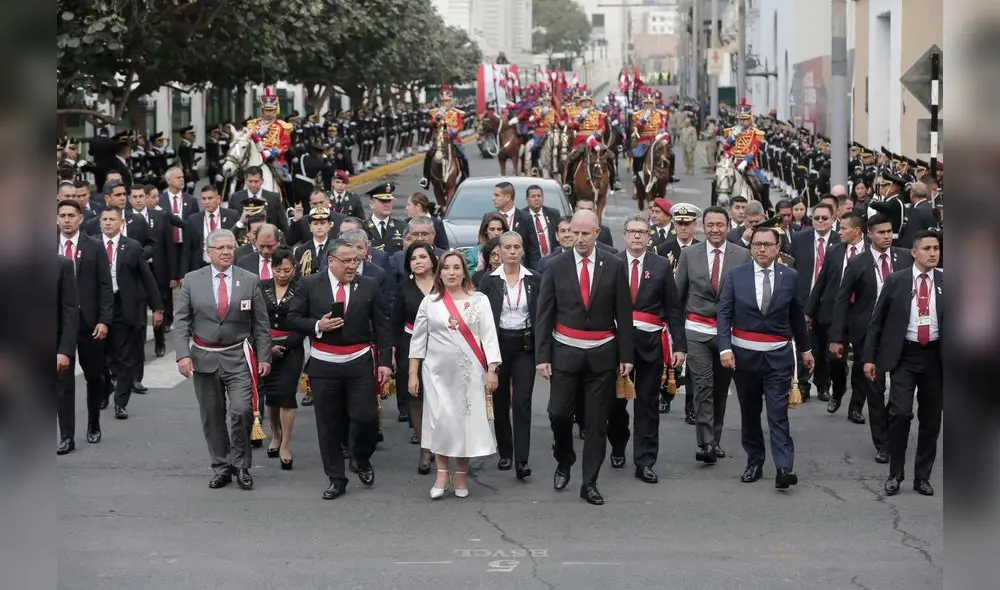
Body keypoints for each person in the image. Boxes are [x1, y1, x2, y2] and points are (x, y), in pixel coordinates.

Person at [535, 210, 634, 505]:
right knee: (558, 413)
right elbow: (544, 314)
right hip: (565, 352)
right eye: (573, 233)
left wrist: (626, 355)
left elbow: (623, 313)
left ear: (597, 233)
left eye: (584, 234)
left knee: (596, 422)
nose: (578, 239)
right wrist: (542, 355)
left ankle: (589, 482)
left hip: (602, 355)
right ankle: (564, 459)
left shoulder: (614, 265)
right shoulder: (555, 266)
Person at [287, 239, 392, 500]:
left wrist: (386, 363)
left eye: (356, 260)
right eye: (346, 261)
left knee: (366, 416)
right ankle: (336, 477)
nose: (352, 266)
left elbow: (382, 325)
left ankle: (361, 457)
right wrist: (318, 325)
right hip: (324, 364)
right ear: (331, 261)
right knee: (328, 424)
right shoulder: (310, 284)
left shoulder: (368, 285)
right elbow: (292, 318)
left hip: (359, 361)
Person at [173, 228, 272, 491]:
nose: (227, 252)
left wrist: (264, 356)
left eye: (230, 247)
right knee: (212, 416)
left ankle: (242, 465)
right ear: (209, 253)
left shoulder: (249, 280)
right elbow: (181, 321)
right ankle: (221, 466)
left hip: (238, 356)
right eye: (221, 248)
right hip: (204, 358)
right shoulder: (193, 280)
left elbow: (261, 323)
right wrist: (183, 354)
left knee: (241, 411)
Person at [716, 225, 814, 489]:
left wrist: (805, 350)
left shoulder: (790, 276)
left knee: (777, 413)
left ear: (777, 247)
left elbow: (796, 315)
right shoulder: (736, 275)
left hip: (778, 357)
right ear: (751, 247)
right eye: (757, 244)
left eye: (767, 244)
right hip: (744, 356)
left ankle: (784, 468)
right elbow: (724, 313)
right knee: (750, 413)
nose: (762, 249)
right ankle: (755, 461)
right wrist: (724, 348)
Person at [408, 250, 502, 499]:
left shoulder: (479, 300)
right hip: (436, 374)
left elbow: (489, 336)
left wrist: (492, 370)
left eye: (456, 267)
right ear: (440, 272)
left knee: (464, 424)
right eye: (446, 268)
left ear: (464, 271)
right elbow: (418, 340)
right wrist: (413, 373)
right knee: (440, 421)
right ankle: (441, 473)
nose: (451, 272)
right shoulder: (431, 301)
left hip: (470, 373)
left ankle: (460, 475)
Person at [863, 230, 943, 496]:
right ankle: (895, 473)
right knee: (899, 413)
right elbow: (877, 322)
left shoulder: (948, 281)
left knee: (931, 420)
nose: (933, 253)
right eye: (927, 248)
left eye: (936, 248)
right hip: (904, 356)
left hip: (936, 358)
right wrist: (870, 358)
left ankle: (922, 477)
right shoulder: (896, 281)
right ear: (914, 252)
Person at [606, 216, 685, 483]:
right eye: (632, 232)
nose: (637, 236)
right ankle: (618, 445)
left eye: (642, 232)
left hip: (651, 342)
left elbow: (673, 308)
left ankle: (645, 460)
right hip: (617, 344)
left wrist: (679, 345)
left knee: (648, 404)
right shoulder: (611, 263)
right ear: (624, 236)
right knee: (615, 402)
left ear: (649, 237)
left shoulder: (661, 266)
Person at [828, 213, 912, 463]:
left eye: (889, 232)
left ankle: (893, 422)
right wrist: (837, 337)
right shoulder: (858, 263)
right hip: (866, 334)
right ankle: (883, 444)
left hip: (900, 332)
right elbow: (842, 300)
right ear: (869, 234)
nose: (887, 236)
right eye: (881, 232)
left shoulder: (906, 257)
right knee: (874, 391)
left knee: (898, 392)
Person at [676, 206, 751, 460]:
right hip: (697, 329)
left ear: (728, 227)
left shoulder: (742, 255)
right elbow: (679, 294)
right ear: (702, 227)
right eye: (710, 225)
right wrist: (677, 338)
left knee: (720, 389)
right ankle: (705, 443)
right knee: (702, 386)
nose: (715, 230)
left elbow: (745, 296)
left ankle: (715, 439)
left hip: (726, 334)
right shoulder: (689, 254)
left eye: (720, 225)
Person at [478, 232, 540, 480]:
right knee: (500, 399)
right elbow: (481, 317)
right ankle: (505, 450)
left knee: (523, 400)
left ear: (523, 250)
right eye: (508, 248)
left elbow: (542, 315)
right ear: (499, 252)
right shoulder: (489, 280)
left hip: (525, 345)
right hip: (498, 345)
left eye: (517, 247)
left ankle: (522, 459)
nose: (512, 252)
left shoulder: (534, 279)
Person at [57, 200, 113, 454]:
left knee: (94, 376)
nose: (66, 219)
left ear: (80, 219)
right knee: (62, 382)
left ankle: (93, 423)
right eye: (62, 215)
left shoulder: (94, 246)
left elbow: (104, 286)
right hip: (58, 325)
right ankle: (67, 435)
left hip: (89, 323)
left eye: (71, 215)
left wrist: (104, 320)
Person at [98, 206, 164, 421]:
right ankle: (106, 385)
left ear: (121, 223)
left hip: (125, 305)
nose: (108, 223)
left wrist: (157, 308)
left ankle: (121, 401)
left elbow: (147, 278)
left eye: (112, 219)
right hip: (99, 306)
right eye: (104, 219)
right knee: (103, 355)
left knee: (125, 356)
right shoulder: (92, 245)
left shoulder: (132, 247)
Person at [257, 247, 305, 470]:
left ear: (294, 269)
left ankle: (286, 443)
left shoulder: (301, 288)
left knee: (287, 394)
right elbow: (256, 320)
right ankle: (275, 434)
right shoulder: (261, 286)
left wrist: (284, 345)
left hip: (292, 347)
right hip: (266, 346)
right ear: (271, 268)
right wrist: (267, 347)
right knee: (271, 395)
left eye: (287, 270)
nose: (282, 275)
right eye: (278, 270)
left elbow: (303, 322)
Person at [392, 243, 438, 473]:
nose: (418, 261)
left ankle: (443, 445)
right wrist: (390, 353)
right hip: (411, 346)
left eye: (423, 256)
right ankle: (424, 447)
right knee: (416, 397)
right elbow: (395, 322)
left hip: (442, 346)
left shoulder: (444, 285)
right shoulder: (403, 288)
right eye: (413, 258)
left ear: (432, 260)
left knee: (440, 397)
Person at [790, 202, 840, 403]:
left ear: (833, 219)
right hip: (803, 300)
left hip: (829, 303)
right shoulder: (799, 239)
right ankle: (802, 384)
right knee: (805, 343)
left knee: (826, 345)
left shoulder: (839, 241)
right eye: (816, 218)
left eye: (824, 218)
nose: (820, 222)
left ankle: (823, 386)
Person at [419, 85, 470, 189]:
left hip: (453, 139)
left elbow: (460, 125)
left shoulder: (456, 113)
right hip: (438, 139)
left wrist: (454, 131)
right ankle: (426, 178)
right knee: (429, 155)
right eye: (443, 101)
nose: (445, 103)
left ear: (451, 101)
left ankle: (465, 177)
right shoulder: (435, 112)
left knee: (463, 156)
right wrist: (437, 118)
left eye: (447, 101)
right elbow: (430, 124)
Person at [56, 255, 80, 452]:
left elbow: (70, 310)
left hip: (55, 341)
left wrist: (65, 350)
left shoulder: (62, 265)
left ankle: (66, 436)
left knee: (62, 391)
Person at [492, 182, 542, 269]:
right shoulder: (490, 218)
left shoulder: (525, 218)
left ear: (508, 197)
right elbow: (482, 245)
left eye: (497, 195)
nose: (493, 198)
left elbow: (533, 250)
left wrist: (534, 274)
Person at [365, 182, 405, 254]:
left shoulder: (402, 227)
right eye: (383, 201)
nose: (387, 205)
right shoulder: (363, 228)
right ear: (371, 204)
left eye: (389, 201)